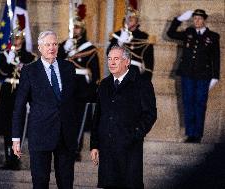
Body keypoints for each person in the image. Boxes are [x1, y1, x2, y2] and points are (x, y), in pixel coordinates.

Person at [12, 30, 78, 189]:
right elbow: (19, 106)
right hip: (40, 135)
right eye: (47, 44)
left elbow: (74, 100)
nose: (52, 48)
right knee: (40, 183)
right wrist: (16, 137)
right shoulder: (29, 70)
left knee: (66, 183)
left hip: (65, 136)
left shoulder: (68, 67)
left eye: (55, 44)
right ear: (40, 48)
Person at [90, 46, 157, 189]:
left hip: (129, 149)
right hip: (107, 149)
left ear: (127, 62)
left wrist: (134, 134)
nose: (111, 63)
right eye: (109, 59)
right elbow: (98, 116)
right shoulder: (104, 84)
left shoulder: (141, 84)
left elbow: (150, 114)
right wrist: (94, 144)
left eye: (116, 59)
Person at [167, 9, 220, 143]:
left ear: (204, 20)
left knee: (200, 104)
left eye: (199, 19)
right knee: (188, 102)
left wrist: (215, 76)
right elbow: (170, 33)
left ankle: (197, 134)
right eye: (194, 18)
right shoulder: (188, 33)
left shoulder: (213, 36)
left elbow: (216, 57)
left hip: (204, 76)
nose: (196, 21)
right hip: (187, 74)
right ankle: (190, 134)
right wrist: (178, 20)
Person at [0, 14, 36, 170]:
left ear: (22, 39)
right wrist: (10, 62)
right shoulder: (5, 55)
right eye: (14, 37)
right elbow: (0, 74)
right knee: (7, 127)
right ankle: (8, 158)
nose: (16, 40)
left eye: (18, 37)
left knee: (18, 126)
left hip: (21, 93)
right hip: (7, 93)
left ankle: (16, 159)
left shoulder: (29, 57)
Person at [58, 3, 100, 161]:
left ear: (83, 29)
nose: (75, 30)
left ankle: (75, 149)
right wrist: (64, 49)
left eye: (78, 28)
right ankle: (63, 146)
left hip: (81, 87)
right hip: (66, 85)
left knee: (78, 119)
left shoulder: (89, 48)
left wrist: (92, 90)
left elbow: (95, 72)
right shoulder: (65, 45)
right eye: (73, 27)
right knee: (64, 118)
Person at [107, 6, 155, 81]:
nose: (128, 21)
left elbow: (149, 63)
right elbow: (108, 53)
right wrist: (120, 42)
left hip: (135, 73)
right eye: (126, 19)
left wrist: (146, 82)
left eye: (131, 19)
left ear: (137, 21)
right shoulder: (118, 34)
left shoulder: (144, 37)